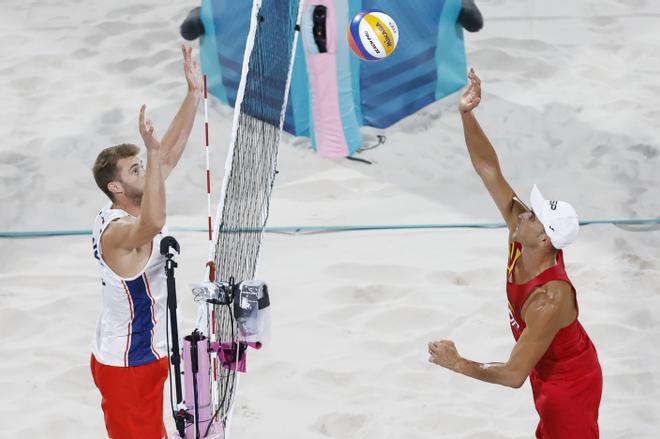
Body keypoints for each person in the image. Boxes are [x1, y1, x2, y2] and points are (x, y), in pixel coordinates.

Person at [428, 69, 602, 438]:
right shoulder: (521, 235)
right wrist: (467, 114)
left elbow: (512, 375)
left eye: (533, 216)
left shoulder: (548, 300)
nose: (522, 212)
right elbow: (489, 169)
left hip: (567, 382)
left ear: (544, 238)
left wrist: (458, 363)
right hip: (542, 359)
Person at [90, 45, 201, 439]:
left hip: (148, 352)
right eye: (138, 169)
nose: (149, 170)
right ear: (116, 187)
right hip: (127, 366)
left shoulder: (136, 200)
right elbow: (155, 223)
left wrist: (192, 96)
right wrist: (152, 151)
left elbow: (167, 157)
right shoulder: (118, 234)